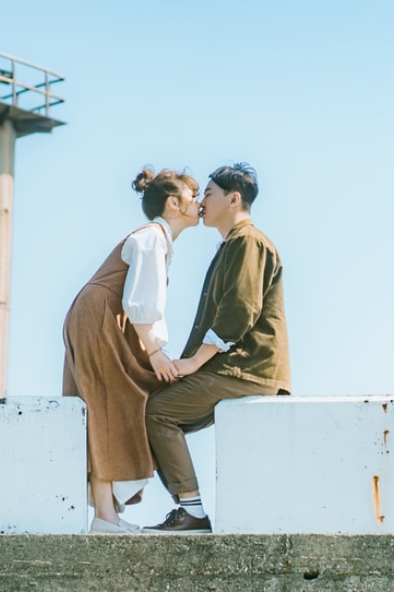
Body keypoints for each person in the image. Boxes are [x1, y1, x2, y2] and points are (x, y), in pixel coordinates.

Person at [143, 163, 290, 533]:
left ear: (234, 198)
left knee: (157, 412)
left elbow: (238, 311)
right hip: (231, 369)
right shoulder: (232, 245)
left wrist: (193, 362)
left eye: (208, 193)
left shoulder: (249, 242)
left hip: (245, 369)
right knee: (149, 406)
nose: (202, 201)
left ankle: (191, 511)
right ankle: (185, 507)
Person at [61, 168, 200, 534]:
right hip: (102, 317)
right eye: (192, 196)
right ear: (174, 203)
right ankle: (105, 516)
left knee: (104, 405)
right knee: (107, 405)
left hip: (101, 316)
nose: (199, 203)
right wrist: (155, 353)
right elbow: (140, 302)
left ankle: (107, 513)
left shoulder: (156, 238)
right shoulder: (153, 237)